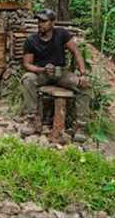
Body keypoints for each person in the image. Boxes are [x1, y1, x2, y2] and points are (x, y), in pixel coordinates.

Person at [21, 9, 91, 142]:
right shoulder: (31, 40)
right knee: (27, 79)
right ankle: (32, 120)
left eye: (44, 21)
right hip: (42, 74)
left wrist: (83, 74)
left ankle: (80, 126)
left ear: (52, 23)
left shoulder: (61, 34)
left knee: (84, 85)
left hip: (61, 73)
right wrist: (42, 69)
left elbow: (76, 52)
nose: (40, 24)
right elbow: (27, 64)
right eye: (39, 21)